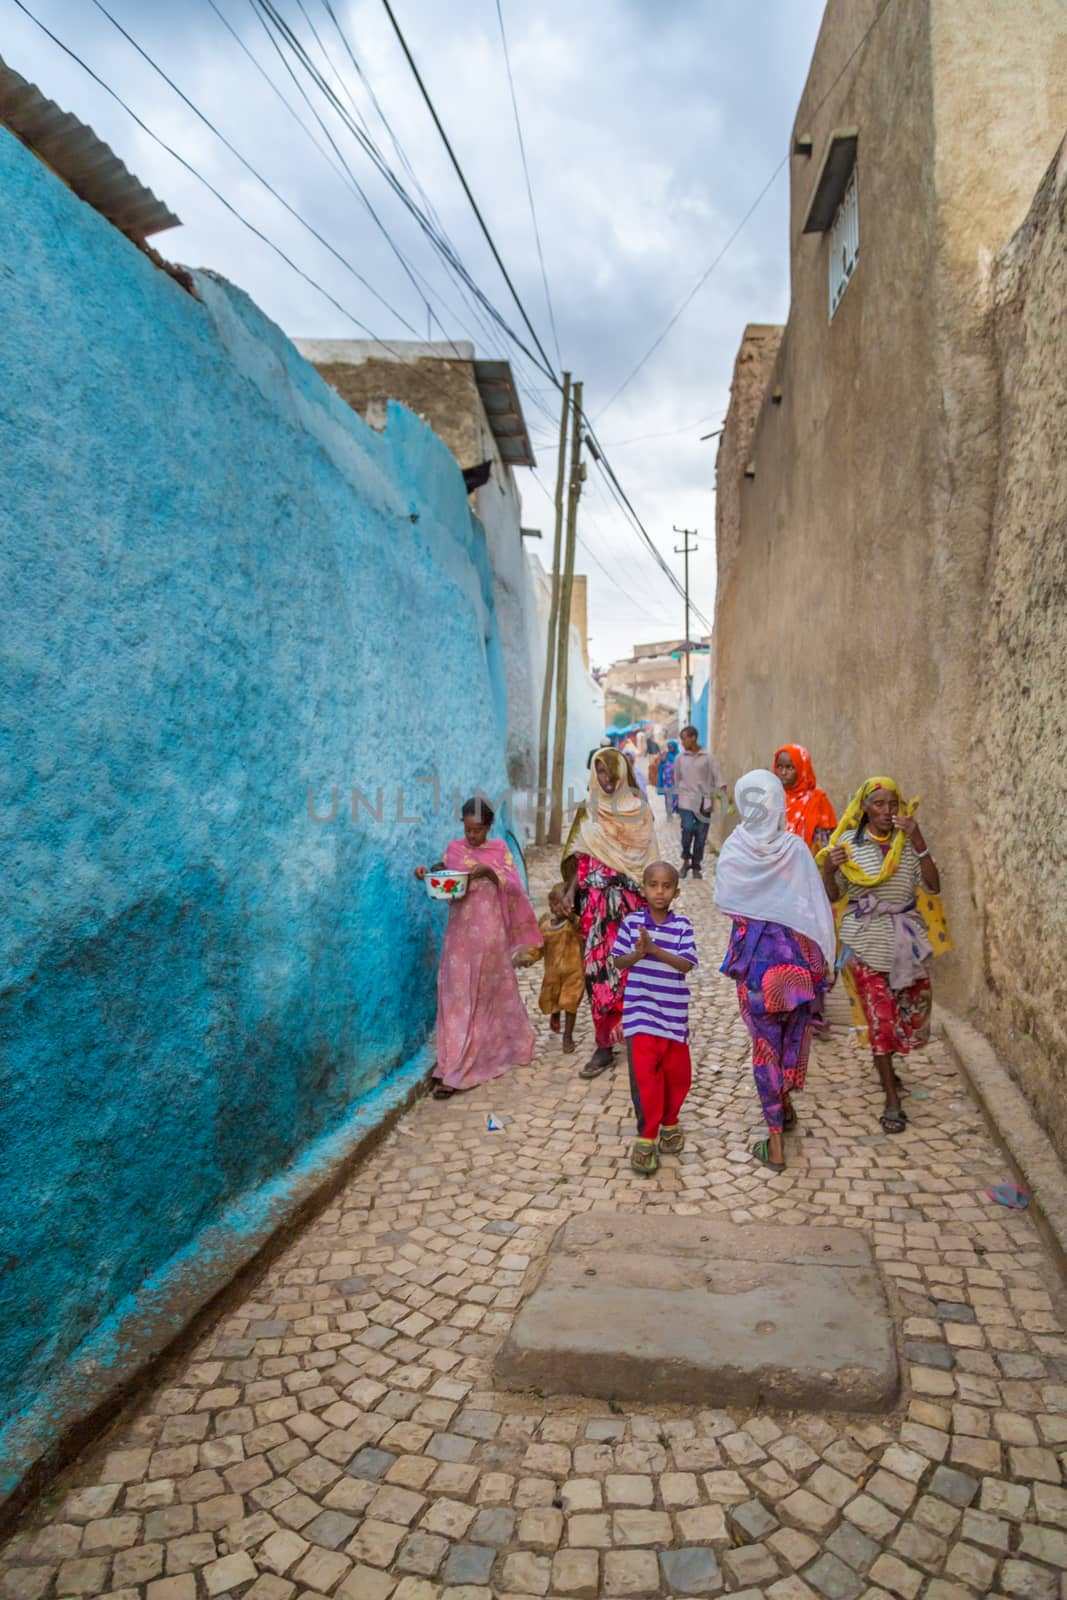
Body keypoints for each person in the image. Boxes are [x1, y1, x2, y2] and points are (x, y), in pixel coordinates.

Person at [715, 770, 836, 1174]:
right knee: (792, 1040)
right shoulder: (796, 850)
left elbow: (728, 903)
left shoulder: (735, 851)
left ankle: (775, 1140)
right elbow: (814, 908)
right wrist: (827, 961)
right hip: (799, 968)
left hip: (757, 972)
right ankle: (786, 1101)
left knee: (764, 1048)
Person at [819, 778, 949, 1135]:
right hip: (865, 940)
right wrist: (830, 868)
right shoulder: (847, 844)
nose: (887, 811)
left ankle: (888, 1065)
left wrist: (920, 840)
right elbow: (834, 895)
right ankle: (892, 1098)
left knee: (914, 1012)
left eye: (893, 804)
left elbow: (934, 885)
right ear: (864, 807)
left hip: (907, 939)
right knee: (881, 1020)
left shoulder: (907, 843)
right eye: (878, 804)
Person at [414, 798, 542, 1098]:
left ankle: (486, 1055)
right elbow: (445, 877)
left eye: (479, 831)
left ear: (488, 827)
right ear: (463, 825)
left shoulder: (498, 851)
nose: (473, 837)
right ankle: (454, 1064)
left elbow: (514, 888)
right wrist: (428, 872)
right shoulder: (454, 849)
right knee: (456, 994)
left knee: (486, 995)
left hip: (490, 936)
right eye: (469, 830)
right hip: (458, 937)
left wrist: (489, 873)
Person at [561, 747, 660, 1079]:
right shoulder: (589, 812)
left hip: (632, 909)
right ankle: (603, 1046)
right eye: (598, 772)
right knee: (597, 975)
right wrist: (571, 890)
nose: (605, 779)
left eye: (609, 772)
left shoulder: (639, 811)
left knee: (635, 974)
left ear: (622, 773)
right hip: (597, 911)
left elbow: (649, 862)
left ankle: (639, 1039)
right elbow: (580, 860)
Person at [613, 862, 698, 1175]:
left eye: (666, 886)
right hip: (641, 1014)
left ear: (676, 891)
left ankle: (670, 1121)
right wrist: (638, 953)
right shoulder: (631, 923)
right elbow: (619, 962)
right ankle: (646, 1138)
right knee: (646, 1079)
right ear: (643, 889)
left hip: (673, 1017)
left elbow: (686, 964)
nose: (659, 891)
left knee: (678, 1076)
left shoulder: (682, 926)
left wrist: (654, 949)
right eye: (653, 885)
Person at [527, 883, 585, 1054]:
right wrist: (528, 958)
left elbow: (581, 929)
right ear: (550, 905)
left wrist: (573, 917)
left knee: (570, 1002)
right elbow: (537, 947)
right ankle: (555, 1013)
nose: (559, 908)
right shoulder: (545, 926)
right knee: (552, 998)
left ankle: (568, 1035)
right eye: (555, 904)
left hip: (574, 973)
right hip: (552, 973)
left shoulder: (573, 924)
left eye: (563, 903)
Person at [674, 724, 726, 879]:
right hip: (686, 802)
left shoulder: (708, 758)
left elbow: (719, 778)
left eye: (684, 739)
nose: (682, 742)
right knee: (688, 830)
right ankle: (685, 860)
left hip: (705, 803)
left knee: (701, 836)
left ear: (693, 738)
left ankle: (696, 866)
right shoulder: (680, 759)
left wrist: (723, 798)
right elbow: (677, 780)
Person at [774, 744, 838, 853]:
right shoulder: (773, 797)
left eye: (790, 767)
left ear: (802, 768)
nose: (783, 773)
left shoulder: (817, 800)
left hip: (807, 865)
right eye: (779, 767)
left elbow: (825, 843)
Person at [655, 738, 679, 820]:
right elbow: (661, 765)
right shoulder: (665, 755)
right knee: (668, 798)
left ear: (675, 747)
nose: (669, 749)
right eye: (668, 747)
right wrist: (662, 759)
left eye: (671, 747)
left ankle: (677, 812)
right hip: (667, 782)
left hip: (676, 782)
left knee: (677, 798)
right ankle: (669, 815)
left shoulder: (679, 756)